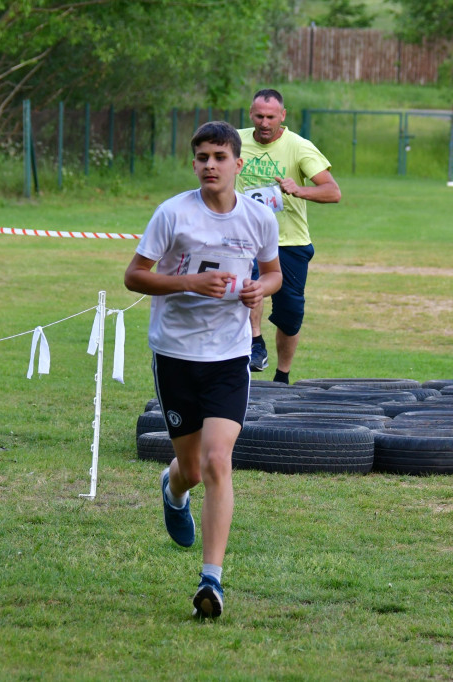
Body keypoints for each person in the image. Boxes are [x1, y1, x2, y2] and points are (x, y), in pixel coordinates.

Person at [124, 121, 282, 619]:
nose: (209, 164)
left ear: (238, 164)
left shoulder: (259, 219)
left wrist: (263, 290)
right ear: (193, 164)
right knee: (190, 469)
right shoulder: (173, 214)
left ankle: (211, 581)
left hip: (230, 358)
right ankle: (173, 492)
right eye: (201, 157)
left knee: (217, 462)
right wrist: (189, 282)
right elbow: (134, 276)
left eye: (219, 156)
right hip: (175, 354)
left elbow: (273, 271)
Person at [237, 88, 341, 383]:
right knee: (249, 287)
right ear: (250, 114)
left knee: (290, 315)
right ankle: (255, 343)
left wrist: (299, 190)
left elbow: (333, 191)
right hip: (246, 237)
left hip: (290, 242)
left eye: (271, 116)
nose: (264, 122)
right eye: (259, 116)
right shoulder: (235, 141)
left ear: (282, 116)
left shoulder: (299, 147)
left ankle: (282, 375)